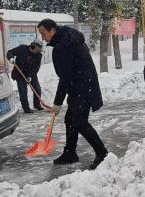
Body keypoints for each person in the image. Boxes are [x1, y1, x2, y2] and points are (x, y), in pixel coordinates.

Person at [37, 19, 108, 170]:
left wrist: (57, 103)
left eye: (43, 34)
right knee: (71, 119)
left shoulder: (63, 46)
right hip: (82, 85)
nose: (42, 37)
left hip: (82, 87)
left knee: (80, 122)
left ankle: (103, 154)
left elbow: (65, 77)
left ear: (53, 31)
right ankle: (70, 153)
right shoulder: (68, 38)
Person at [6, 40, 44, 113]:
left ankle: (37, 104)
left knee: (37, 89)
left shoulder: (38, 55)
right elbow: (10, 52)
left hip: (31, 73)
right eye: (38, 49)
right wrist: (11, 58)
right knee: (23, 91)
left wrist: (30, 76)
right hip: (19, 74)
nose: (38, 51)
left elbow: (36, 67)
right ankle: (26, 108)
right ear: (33, 46)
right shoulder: (22, 48)